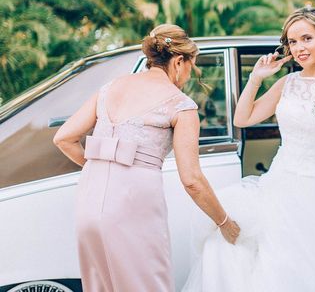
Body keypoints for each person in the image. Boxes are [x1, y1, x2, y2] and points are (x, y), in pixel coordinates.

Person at [182, 6, 315, 292]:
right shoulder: (287, 83)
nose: (298, 48)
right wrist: (257, 78)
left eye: (306, 39)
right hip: (281, 185)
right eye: (292, 42)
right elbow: (242, 118)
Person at [53, 24, 240, 292]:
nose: (189, 75)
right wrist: (224, 222)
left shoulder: (109, 88)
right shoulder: (181, 105)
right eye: (191, 66)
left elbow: (63, 138)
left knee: (101, 285)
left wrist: (98, 166)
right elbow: (192, 180)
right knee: (147, 283)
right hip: (134, 203)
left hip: (89, 198)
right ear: (178, 61)